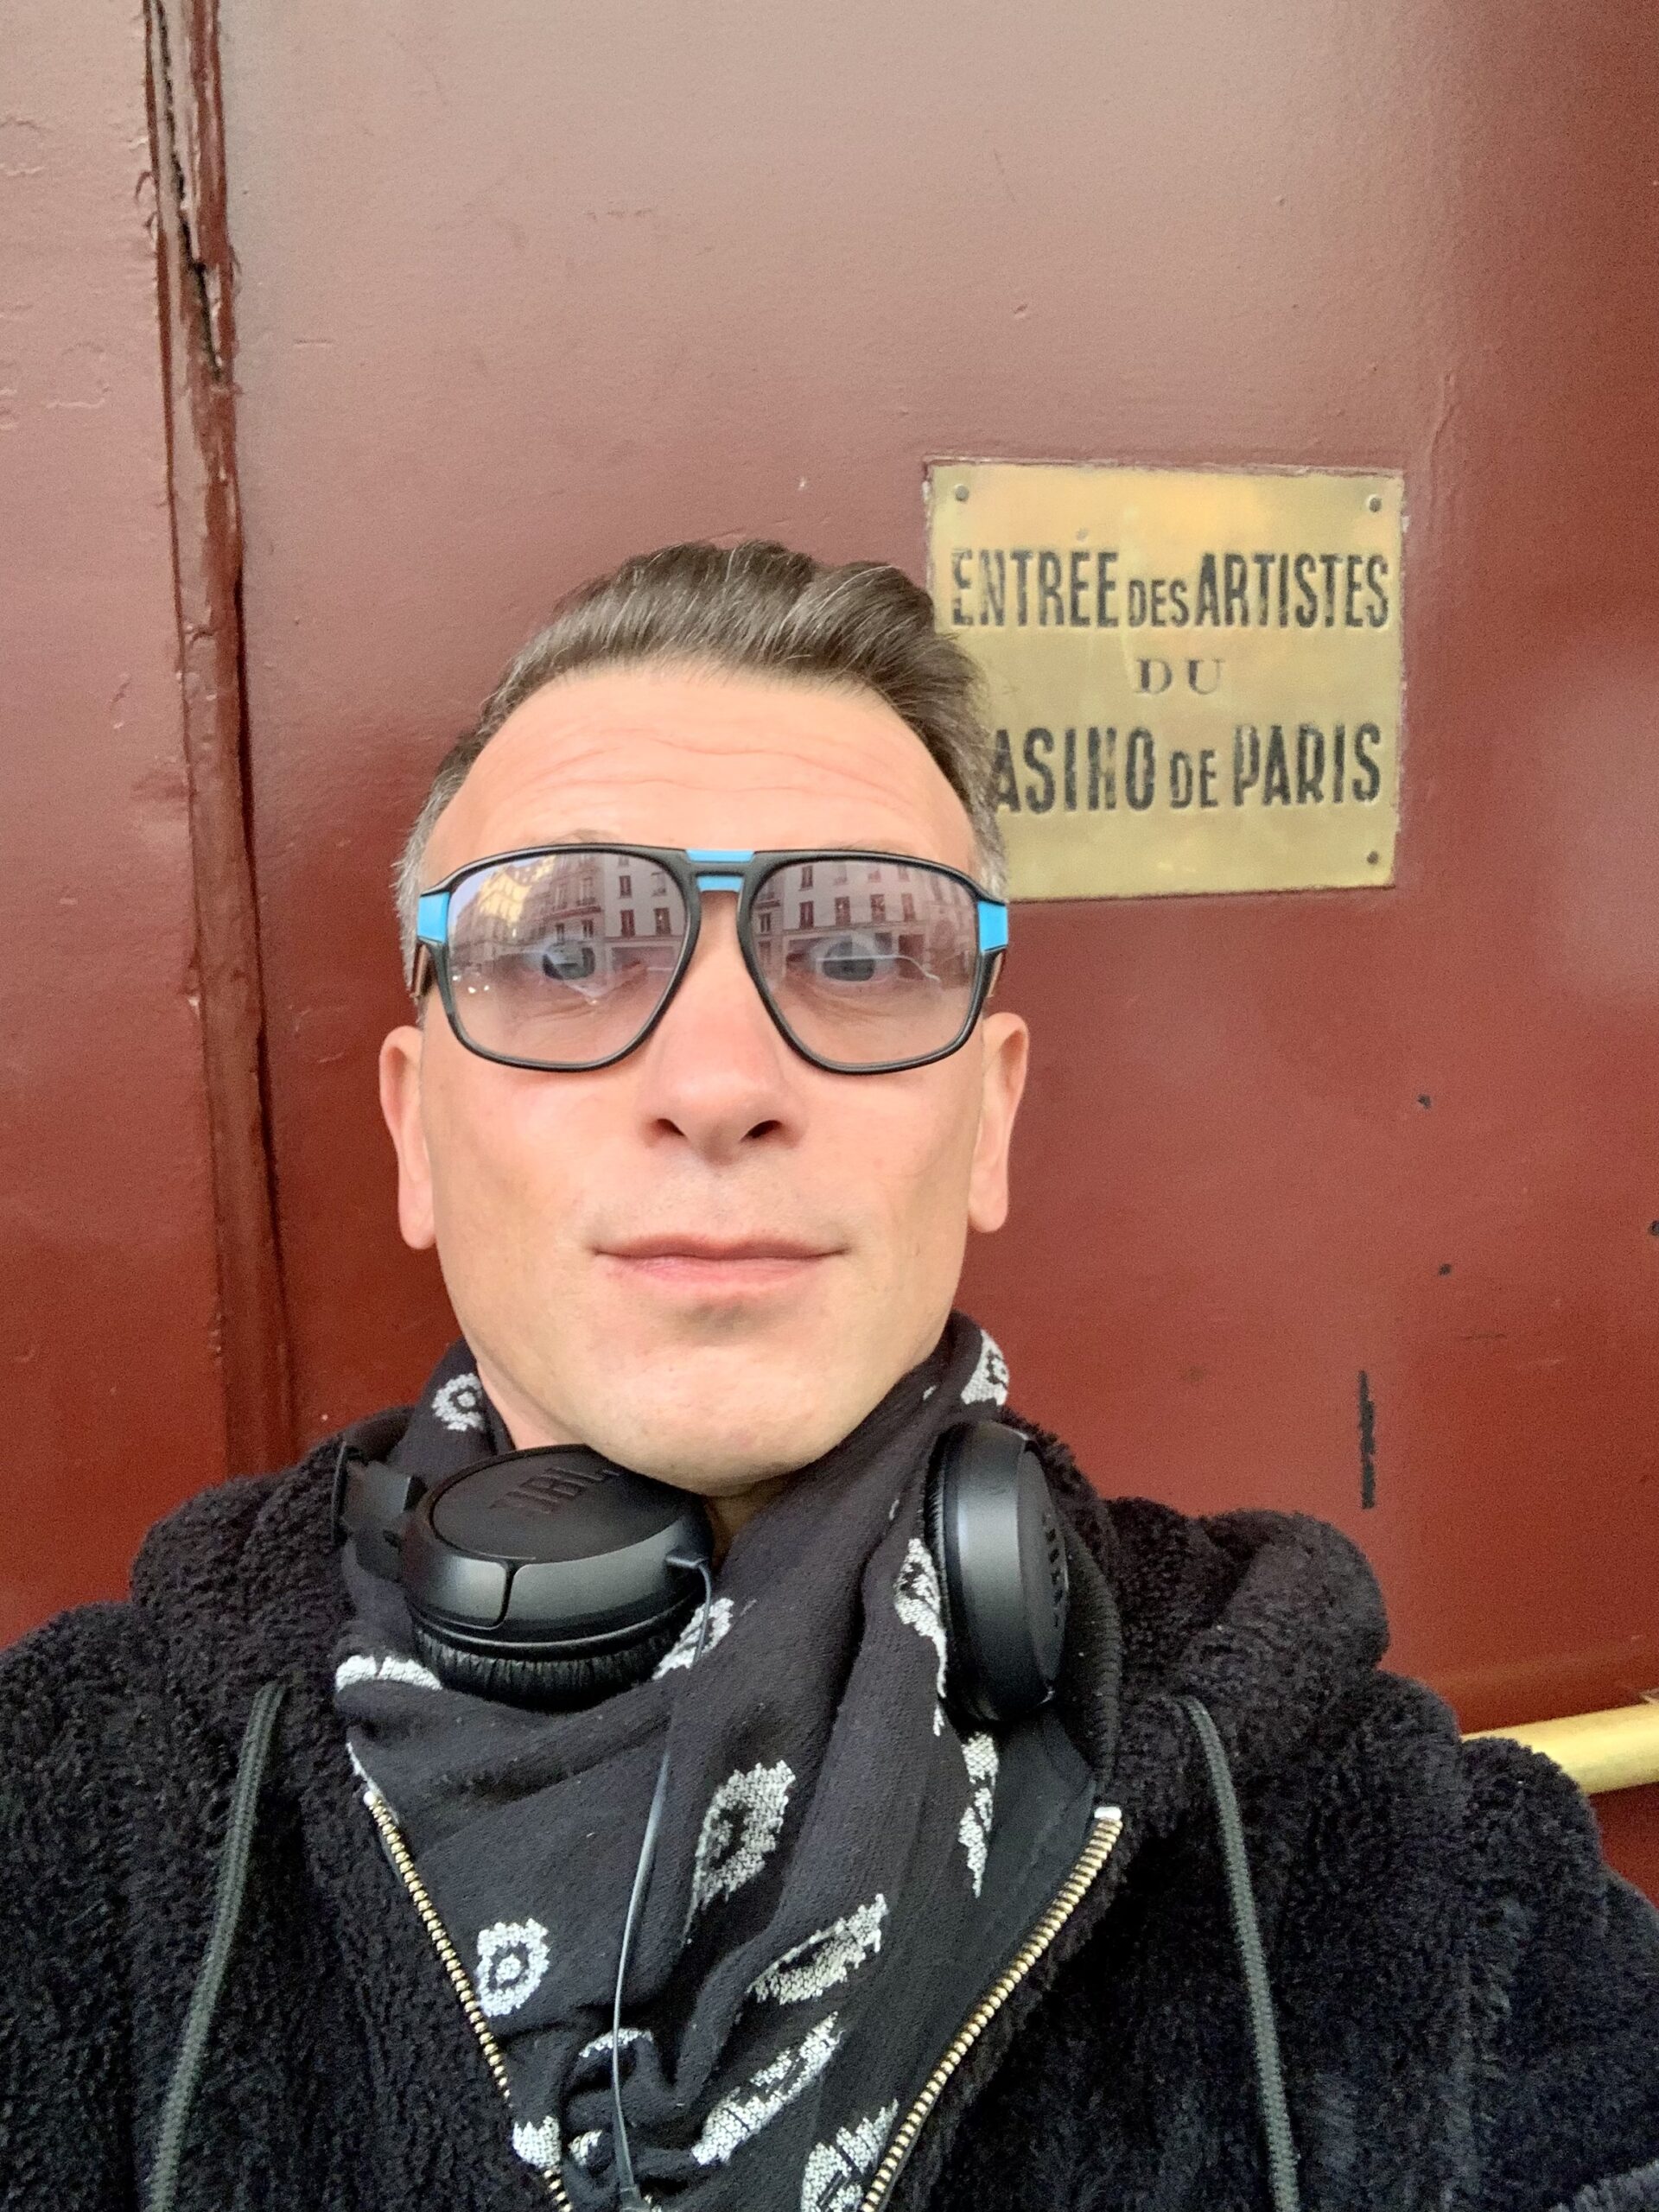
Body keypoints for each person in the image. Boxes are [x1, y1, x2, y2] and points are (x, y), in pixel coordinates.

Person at [3, 541, 1656, 2212]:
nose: (719, 1081)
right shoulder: (73, 1815)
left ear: (989, 1120)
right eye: (567, 955)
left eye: (860, 956)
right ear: (415, 1130)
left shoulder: (1377, 1851)